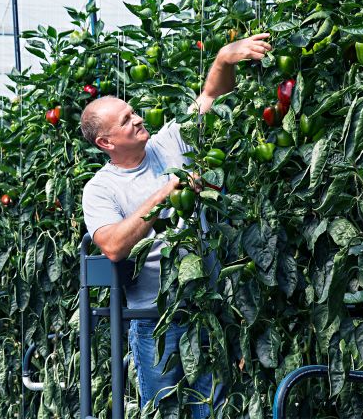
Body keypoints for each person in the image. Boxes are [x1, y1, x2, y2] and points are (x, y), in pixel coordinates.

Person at [80, 33, 272, 417]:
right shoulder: (100, 189)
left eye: (133, 112)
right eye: (126, 120)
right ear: (106, 142)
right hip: (153, 317)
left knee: (213, 407)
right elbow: (113, 245)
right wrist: (168, 191)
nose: (137, 118)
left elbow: (209, 101)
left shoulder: (168, 142)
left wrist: (222, 60)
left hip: (205, 307)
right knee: (163, 409)